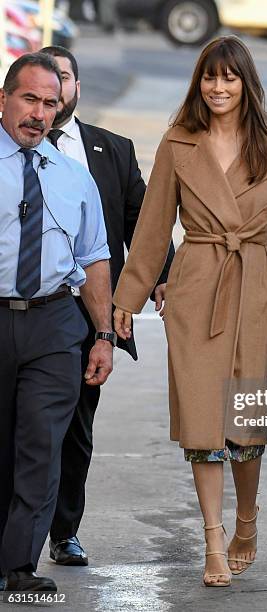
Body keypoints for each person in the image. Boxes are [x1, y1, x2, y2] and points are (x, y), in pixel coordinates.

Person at [113, 36, 267, 587]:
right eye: (209, 77)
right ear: (198, 83)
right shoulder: (179, 142)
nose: (218, 88)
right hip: (196, 283)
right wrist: (127, 299)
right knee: (204, 421)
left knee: (244, 421)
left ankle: (245, 522)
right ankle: (212, 542)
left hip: (253, 283)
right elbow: (152, 229)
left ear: (246, 83)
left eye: (229, 78)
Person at [38, 45, 175, 567]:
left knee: (76, 425)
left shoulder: (110, 150)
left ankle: (64, 531)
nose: (55, 90)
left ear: (76, 88)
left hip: (89, 309)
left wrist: (162, 274)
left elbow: (145, 220)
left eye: (64, 78)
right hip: (25, 304)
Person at [0, 52, 113, 593]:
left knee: (42, 447)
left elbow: (93, 259)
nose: (39, 113)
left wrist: (106, 335)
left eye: (50, 102)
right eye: (29, 99)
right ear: (3, 99)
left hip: (53, 324)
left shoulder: (74, 178)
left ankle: (19, 567)